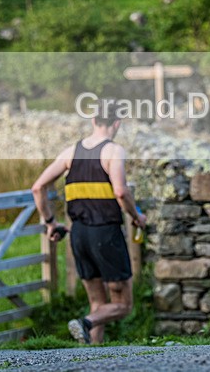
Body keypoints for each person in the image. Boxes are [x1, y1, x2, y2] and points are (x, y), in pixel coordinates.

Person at [31, 102, 146, 344]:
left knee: (97, 303)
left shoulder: (70, 152)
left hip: (78, 235)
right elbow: (121, 192)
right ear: (117, 123)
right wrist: (136, 217)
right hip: (105, 234)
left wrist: (51, 222)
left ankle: (92, 357)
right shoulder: (114, 151)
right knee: (123, 305)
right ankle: (85, 323)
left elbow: (38, 187)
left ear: (93, 121)